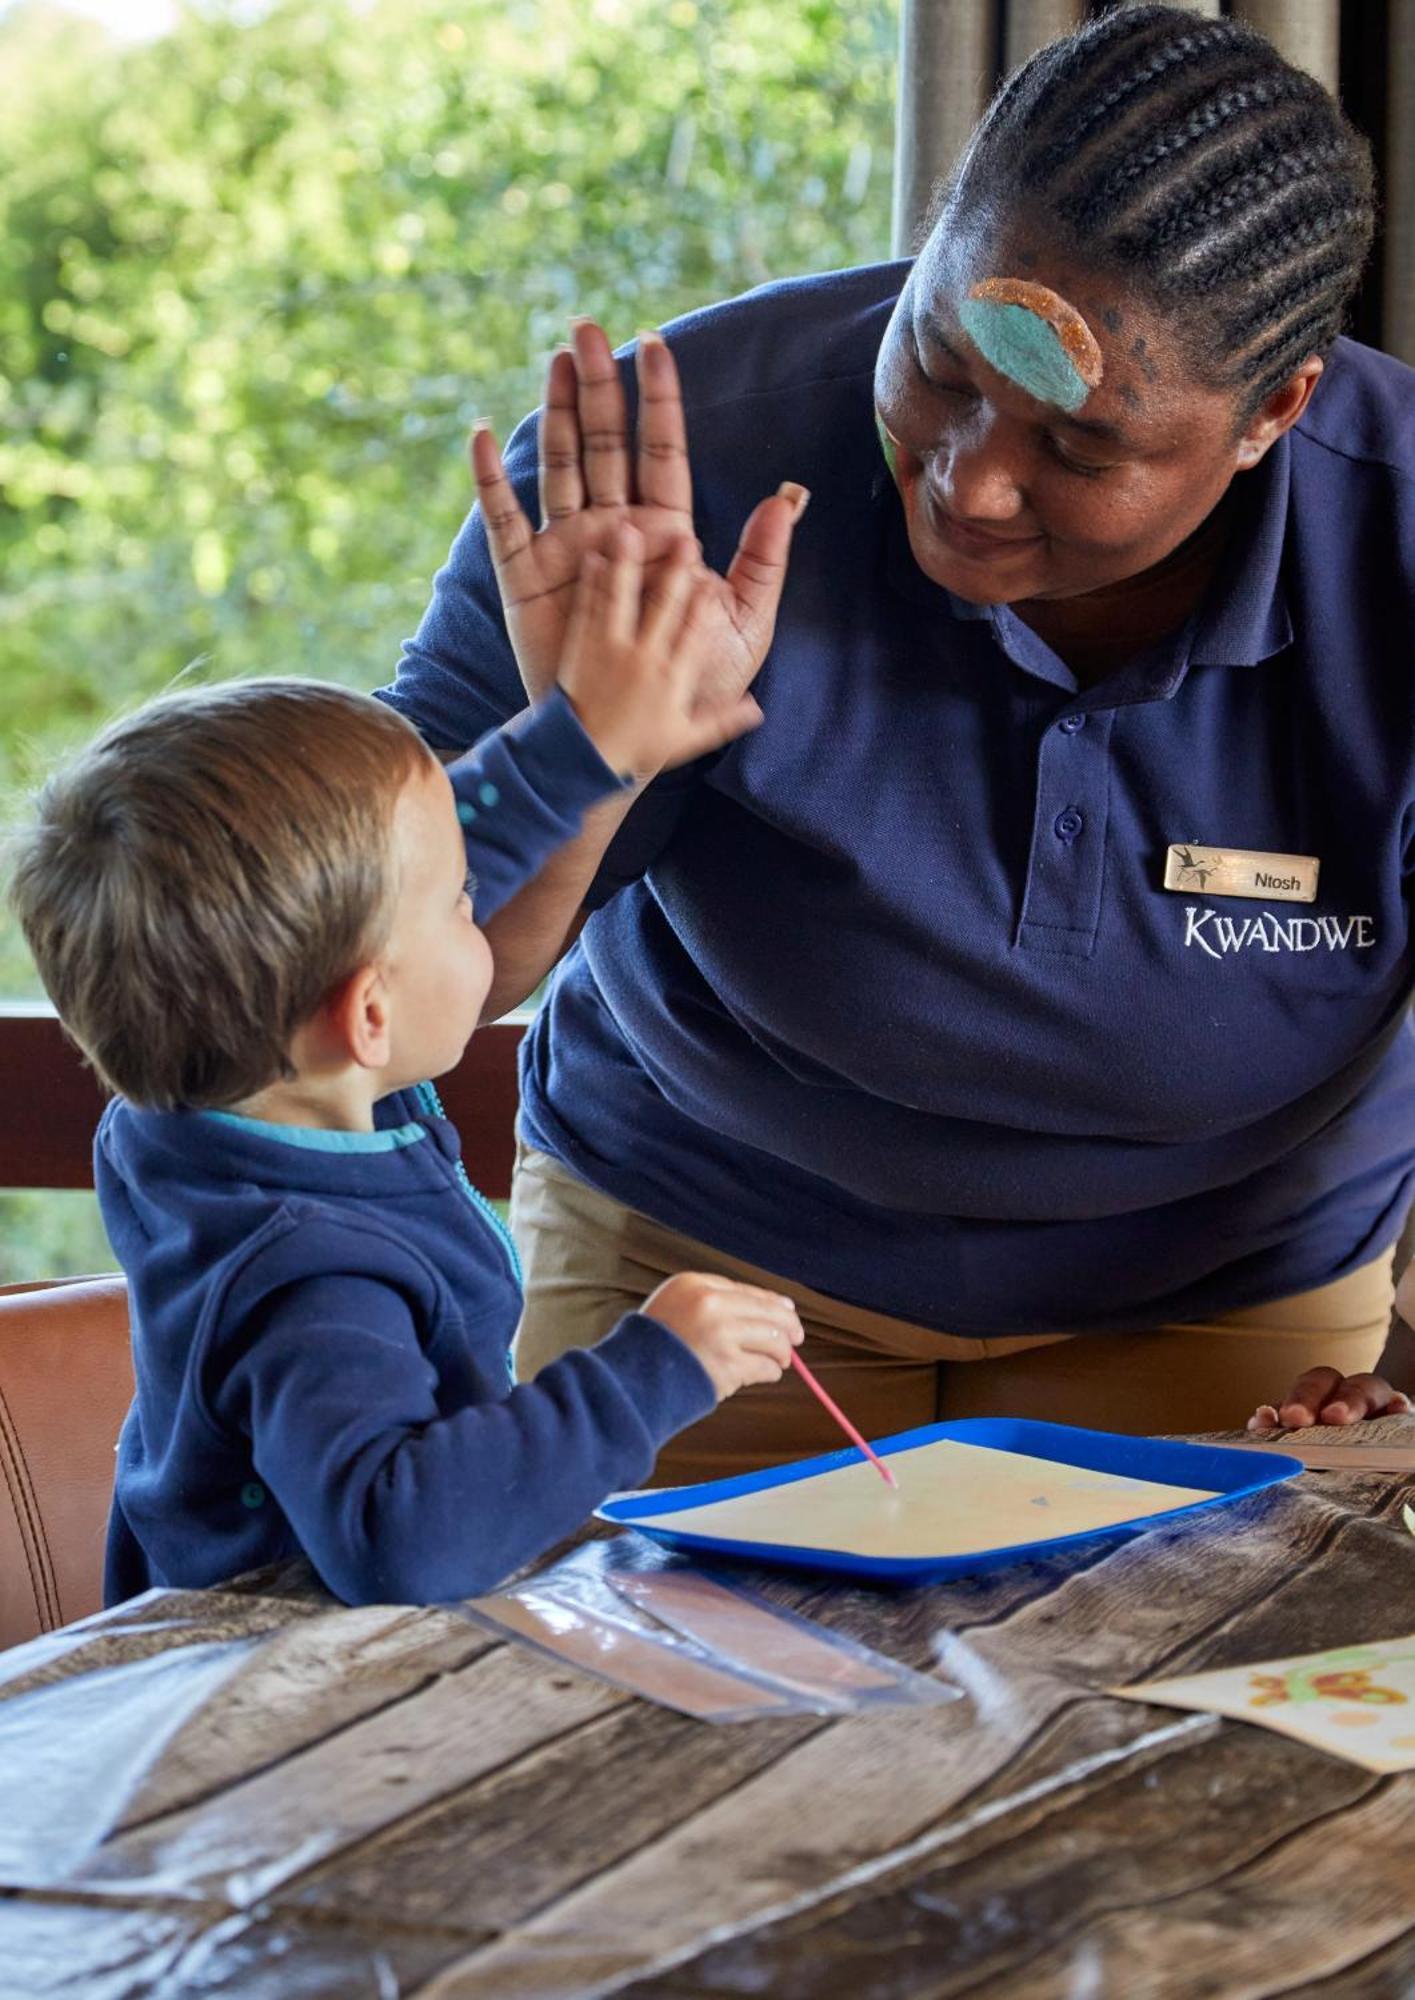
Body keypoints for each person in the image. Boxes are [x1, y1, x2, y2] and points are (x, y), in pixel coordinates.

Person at [383, 3, 1415, 1479]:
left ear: (1271, 412)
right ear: (931, 238)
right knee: (646, 1697)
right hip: (699, 1258)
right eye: (937, 363)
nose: (969, 483)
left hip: (1228, 1296)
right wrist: (578, 748)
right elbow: (388, 983)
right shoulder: (656, 474)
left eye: (1074, 448)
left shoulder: (1394, 541)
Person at [7, 532, 806, 1606]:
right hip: (273, 1705)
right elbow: (404, 1542)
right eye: (460, 904)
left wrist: (584, 746)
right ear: (369, 1011)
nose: (480, 890)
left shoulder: (193, 1109)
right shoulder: (312, 1279)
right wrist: (653, 1368)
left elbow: (421, 850)